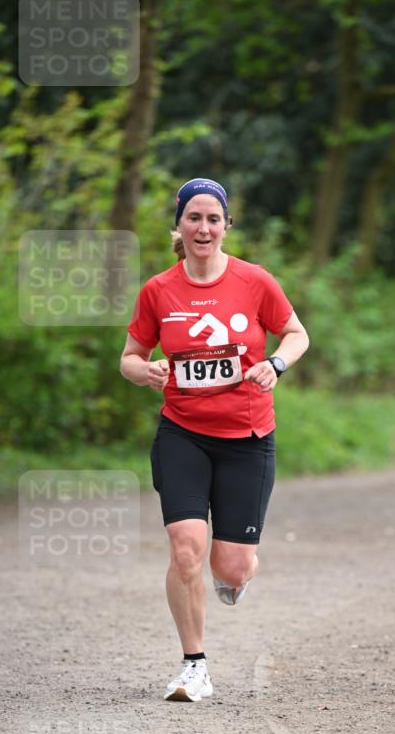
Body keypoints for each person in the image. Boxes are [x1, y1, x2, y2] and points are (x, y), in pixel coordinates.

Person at [120, 177, 309, 702]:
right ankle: (193, 666)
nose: (203, 228)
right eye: (193, 218)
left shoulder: (255, 282)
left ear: (227, 226)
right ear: (178, 225)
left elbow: (297, 334)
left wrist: (275, 363)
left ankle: (239, 572)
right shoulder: (158, 290)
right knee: (186, 551)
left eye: (213, 219)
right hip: (182, 432)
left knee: (231, 566)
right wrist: (147, 372)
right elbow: (129, 358)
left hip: (247, 436)